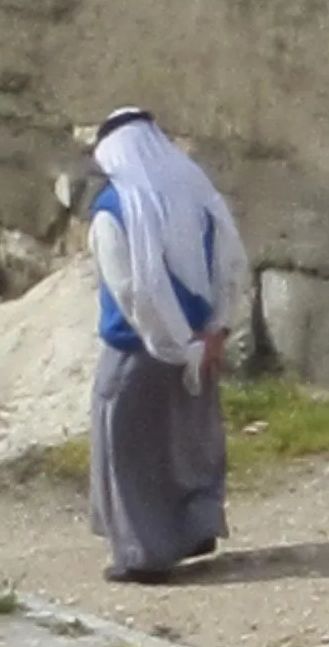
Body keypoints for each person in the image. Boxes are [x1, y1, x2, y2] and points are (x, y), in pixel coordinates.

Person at [85, 108, 251, 584]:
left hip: (141, 351)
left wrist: (176, 345)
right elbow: (231, 263)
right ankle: (196, 529)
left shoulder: (114, 210)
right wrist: (214, 333)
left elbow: (135, 292)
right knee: (189, 445)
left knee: (127, 449)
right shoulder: (197, 194)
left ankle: (142, 553)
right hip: (200, 347)